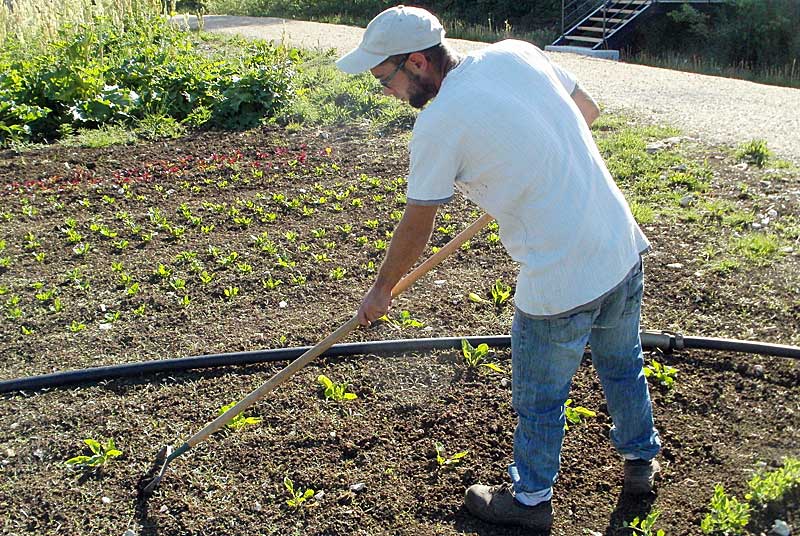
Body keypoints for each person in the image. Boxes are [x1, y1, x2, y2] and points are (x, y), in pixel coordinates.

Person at [336, 5, 661, 531]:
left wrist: (381, 290)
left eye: (385, 79)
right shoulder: (515, 54)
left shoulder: (439, 124)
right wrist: (531, 172)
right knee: (622, 362)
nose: (386, 92)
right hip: (618, 244)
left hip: (560, 277)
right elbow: (588, 109)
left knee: (540, 398)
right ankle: (641, 462)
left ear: (417, 62)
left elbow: (417, 224)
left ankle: (529, 500)